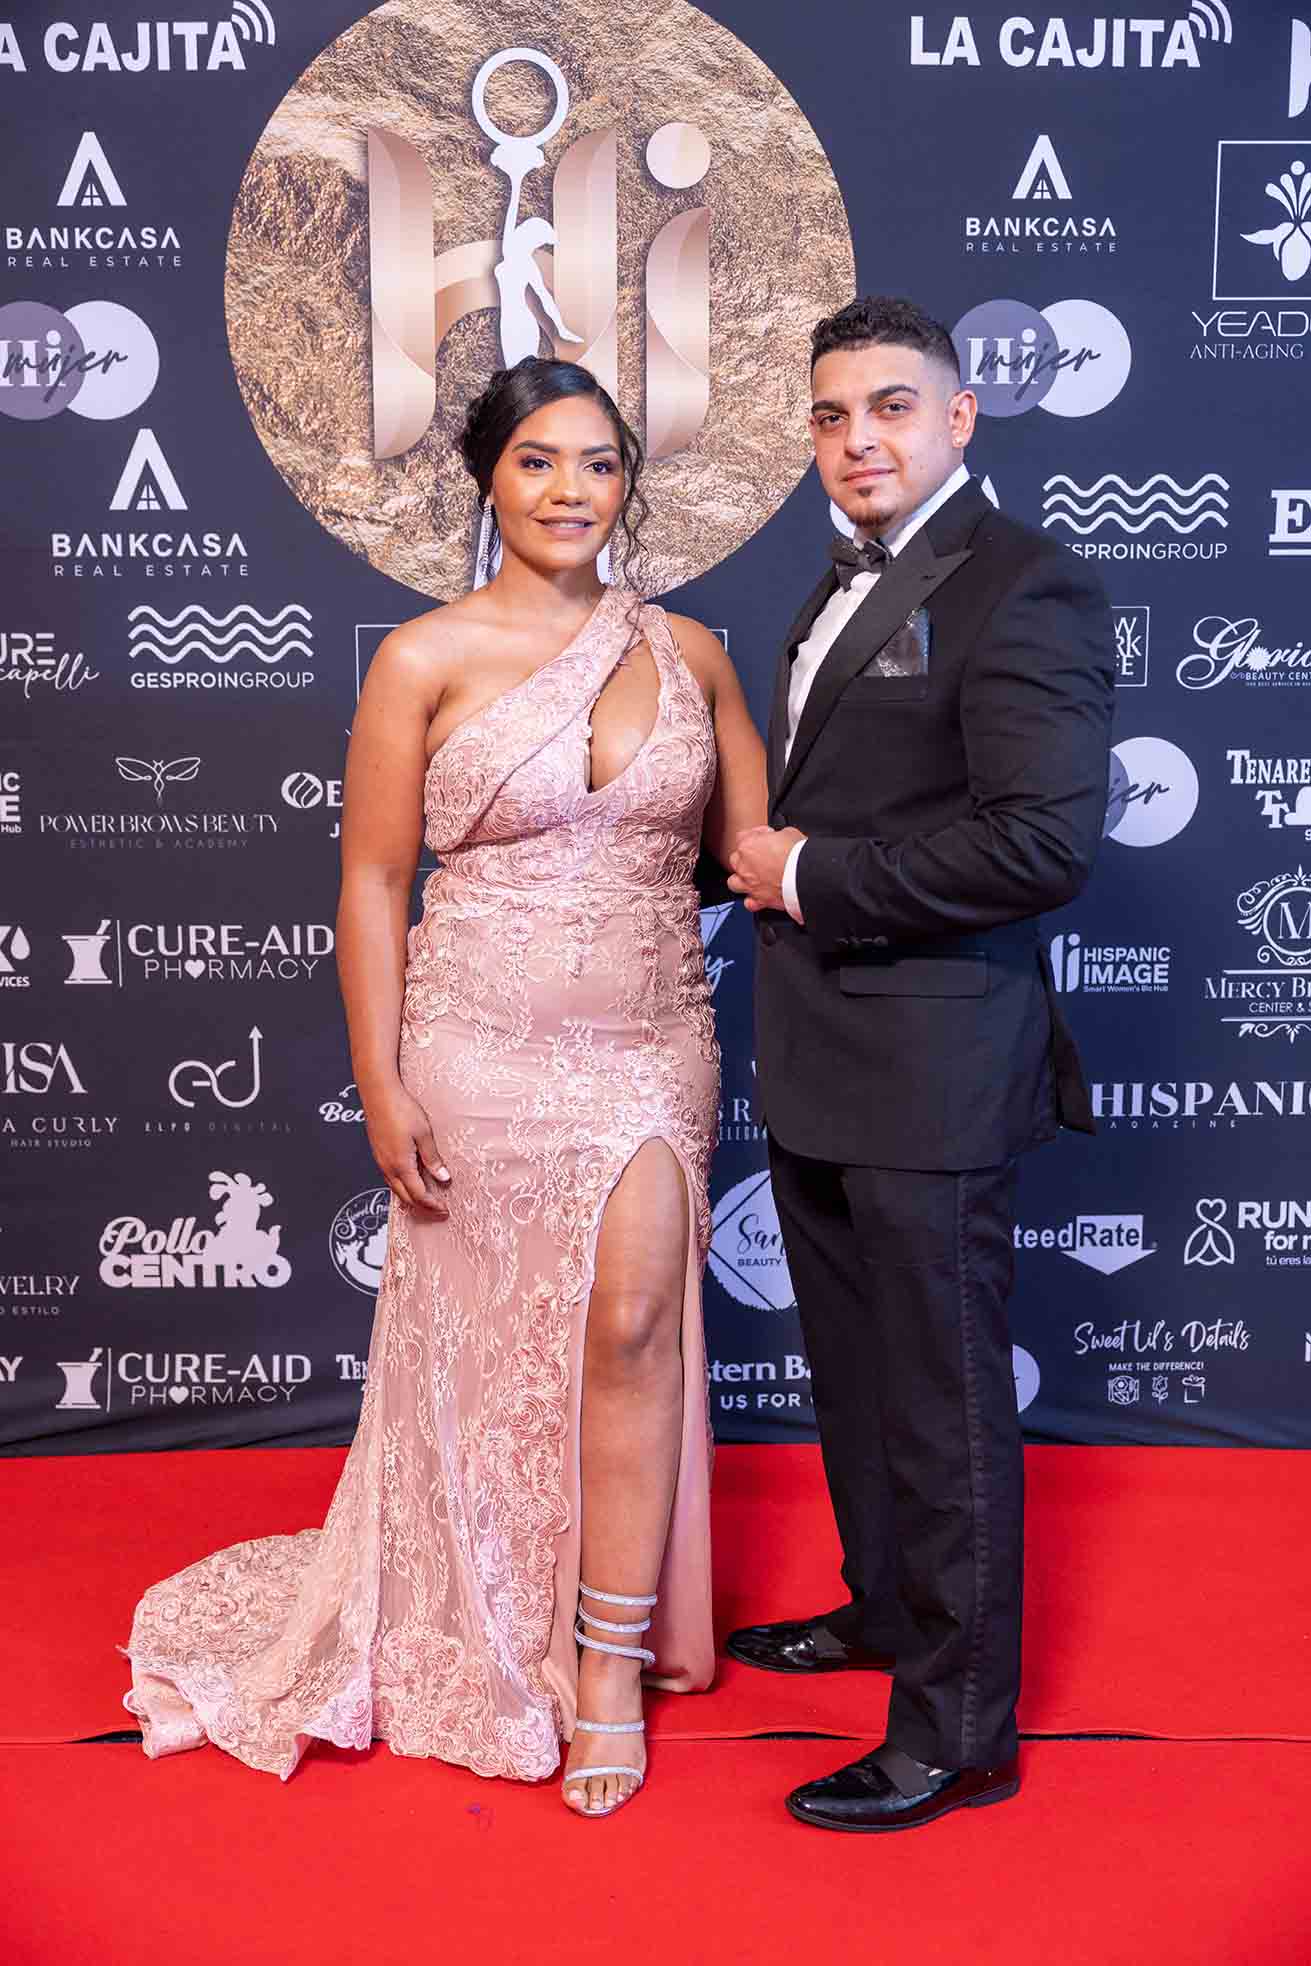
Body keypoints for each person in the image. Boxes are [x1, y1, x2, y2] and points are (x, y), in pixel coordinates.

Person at [121, 356, 767, 1819]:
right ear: (488, 478)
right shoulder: (422, 658)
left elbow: (762, 852)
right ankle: (483, 1607)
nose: (571, 491)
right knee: (490, 1356)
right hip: (475, 1046)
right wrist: (380, 1077)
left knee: (636, 1323)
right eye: (538, 461)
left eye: (599, 463)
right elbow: (372, 880)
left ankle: (608, 1664)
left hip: (652, 1040)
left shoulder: (695, 654)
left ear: (629, 483)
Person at [726, 295, 1115, 1834]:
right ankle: (887, 1605)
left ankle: (957, 1729)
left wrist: (807, 875)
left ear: (960, 416)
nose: (859, 439)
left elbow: (1039, 844)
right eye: (832, 415)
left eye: (892, 406)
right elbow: (842, 796)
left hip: (937, 1067)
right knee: (858, 1374)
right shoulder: (838, 580)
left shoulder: (1027, 584)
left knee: (943, 1404)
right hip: (822, 1055)